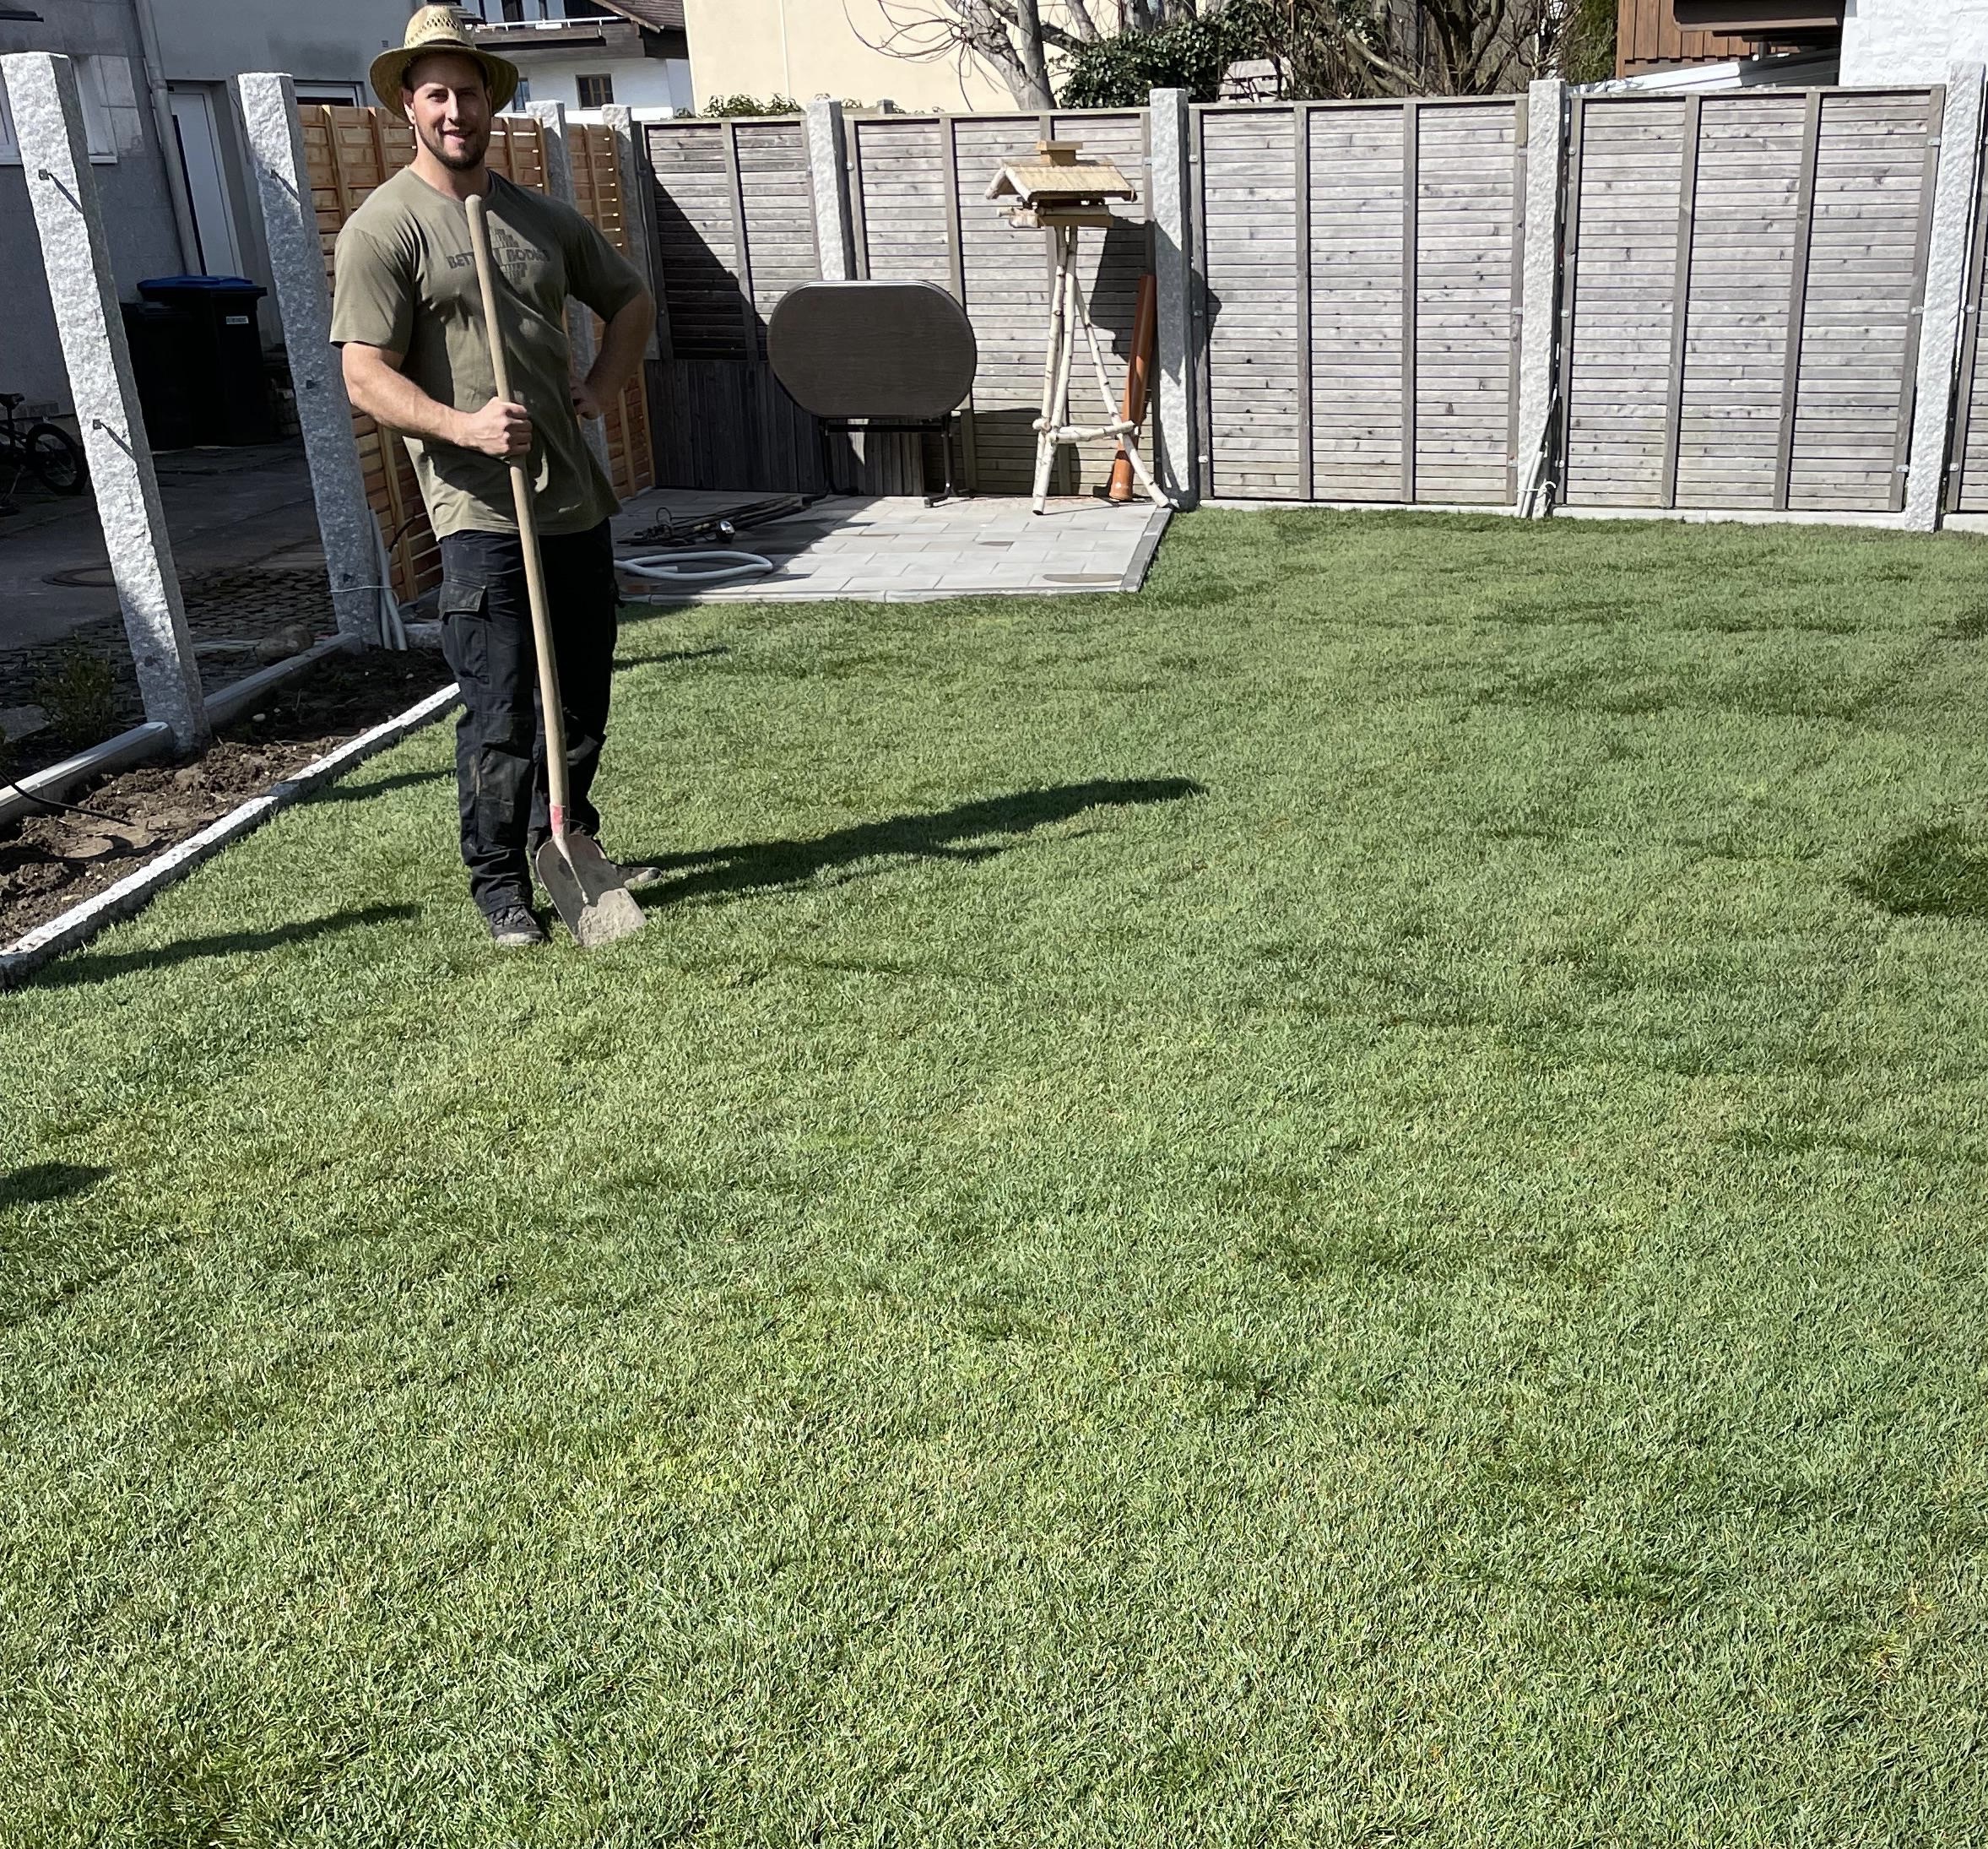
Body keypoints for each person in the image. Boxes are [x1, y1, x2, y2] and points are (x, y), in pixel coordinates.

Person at [333, 6, 657, 947]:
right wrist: (461, 425)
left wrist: (598, 388)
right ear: (408, 104)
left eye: (468, 91)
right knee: (502, 699)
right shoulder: (383, 228)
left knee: (583, 695)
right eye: (436, 92)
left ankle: (568, 835)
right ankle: (497, 883)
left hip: (570, 500)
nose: (454, 109)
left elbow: (628, 297)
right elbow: (364, 372)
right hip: (478, 513)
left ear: (490, 103)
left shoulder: (535, 215)